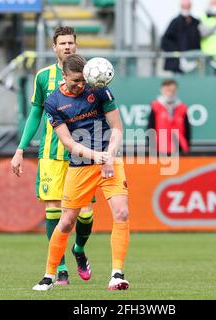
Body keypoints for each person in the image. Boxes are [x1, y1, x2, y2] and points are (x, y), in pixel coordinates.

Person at [32, 54, 130, 291]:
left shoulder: (98, 90)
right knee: (66, 222)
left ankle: (117, 274)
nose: (80, 85)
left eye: (82, 81)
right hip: (81, 165)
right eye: (75, 81)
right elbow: (68, 143)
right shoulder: (53, 102)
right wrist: (97, 157)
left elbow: (117, 128)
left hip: (109, 160)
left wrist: (109, 154)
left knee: (122, 213)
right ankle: (49, 276)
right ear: (63, 76)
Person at [10, 27, 94, 286]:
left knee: (85, 213)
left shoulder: (91, 74)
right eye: (62, 43)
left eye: (71, 42)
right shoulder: (44, 77)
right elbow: (35, 113)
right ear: (54, 47)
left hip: (83, 153)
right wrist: (21, 148)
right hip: (51, 154)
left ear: (76, 46)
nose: (67, 47)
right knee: (53, 211)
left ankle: (79, 249)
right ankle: (61, 269)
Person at [147, 79, 191, 154]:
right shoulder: (155, 106)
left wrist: (187, 145)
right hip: (160, 147)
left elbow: (187, 129)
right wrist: (151, 145)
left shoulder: (182, 107)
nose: (170, 93)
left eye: (172, 90)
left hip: (179, 147)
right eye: (168, 90)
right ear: (162, 90)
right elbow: (151, 127)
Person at [161, 0, 201, 74]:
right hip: (178, 62)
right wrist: (176, 51)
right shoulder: (175, 22)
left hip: (193, 60)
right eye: (184, 6)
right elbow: (165, 40)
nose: (186, 8)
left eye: (187, 6)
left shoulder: (196, 22)